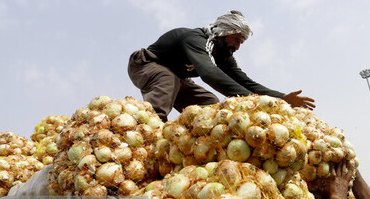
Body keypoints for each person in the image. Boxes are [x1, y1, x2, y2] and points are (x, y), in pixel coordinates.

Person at [128, 10, 316, 120]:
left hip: (177, 78)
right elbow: (209, 73)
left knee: (209, 102)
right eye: (235, 39)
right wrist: (253, 101)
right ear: (224, 32)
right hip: (147, 64)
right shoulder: (197, 39)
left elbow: (245, 82)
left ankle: (189, 138)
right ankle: (151, 128)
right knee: (167, 79)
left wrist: (281, 98)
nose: (237, 46)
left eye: (241, 42)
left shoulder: (224, 55)